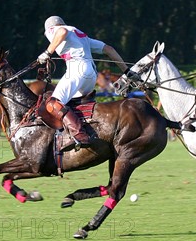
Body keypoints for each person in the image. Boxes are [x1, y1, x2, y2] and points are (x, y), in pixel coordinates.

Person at [37, 16, 132, 151]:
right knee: (71, 105)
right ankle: (79, 131)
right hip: (91, 74)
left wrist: (47, 52)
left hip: (77, 69)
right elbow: (109, 49)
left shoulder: (55, 29)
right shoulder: (81, 35)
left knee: (53, 103)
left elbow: (61, 31)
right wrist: (126, 71)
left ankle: (79, 134)